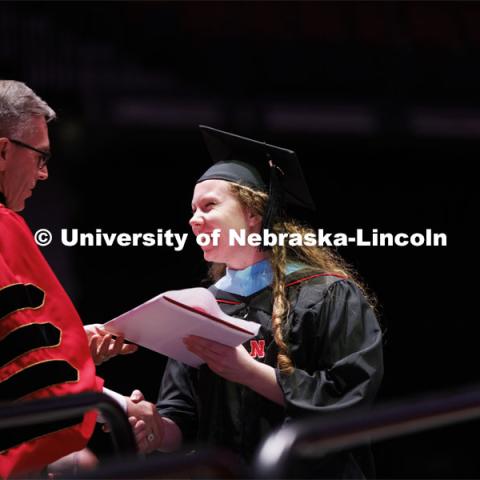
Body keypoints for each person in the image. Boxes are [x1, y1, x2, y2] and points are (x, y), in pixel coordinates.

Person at [128, 126, 384, 478]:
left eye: (209, 206)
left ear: (253, 215)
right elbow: (184, 420)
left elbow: (348, 399)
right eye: (192, 209)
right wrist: (155, 427)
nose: (193, 219)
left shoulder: (326, 294)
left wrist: (248, 372)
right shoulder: (197, 307)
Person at [0, 80, 142, 478]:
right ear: (3, 150)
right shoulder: (2, 229)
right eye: (40, 158)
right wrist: (118, 405)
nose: (43, 174)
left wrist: (74, 346)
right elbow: (27, 366)